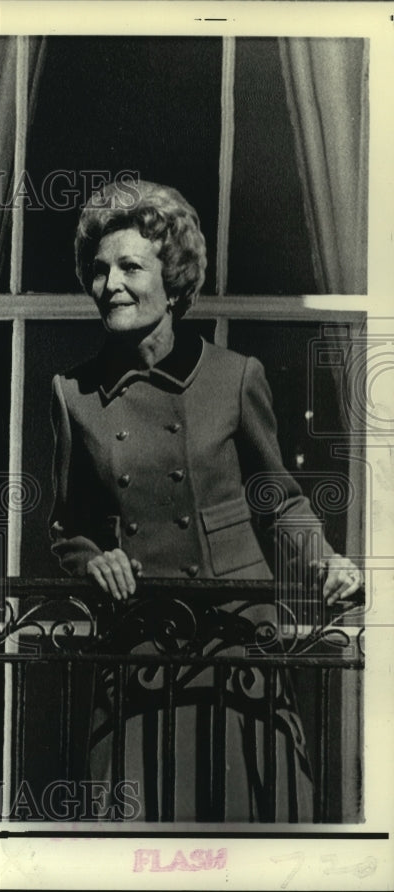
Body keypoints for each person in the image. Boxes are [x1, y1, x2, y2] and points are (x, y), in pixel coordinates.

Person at [49, 180, 362, 821]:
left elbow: (281, 502)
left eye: (131, 267)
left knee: (246, 831)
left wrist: (326, 560)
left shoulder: (234, 375)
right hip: (137, 650)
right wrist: (92, 560)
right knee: (141, 836)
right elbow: (67, 528)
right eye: (100, 269)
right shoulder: (71, 394)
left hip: (236, 643)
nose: (111, 284)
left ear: (175, 279)